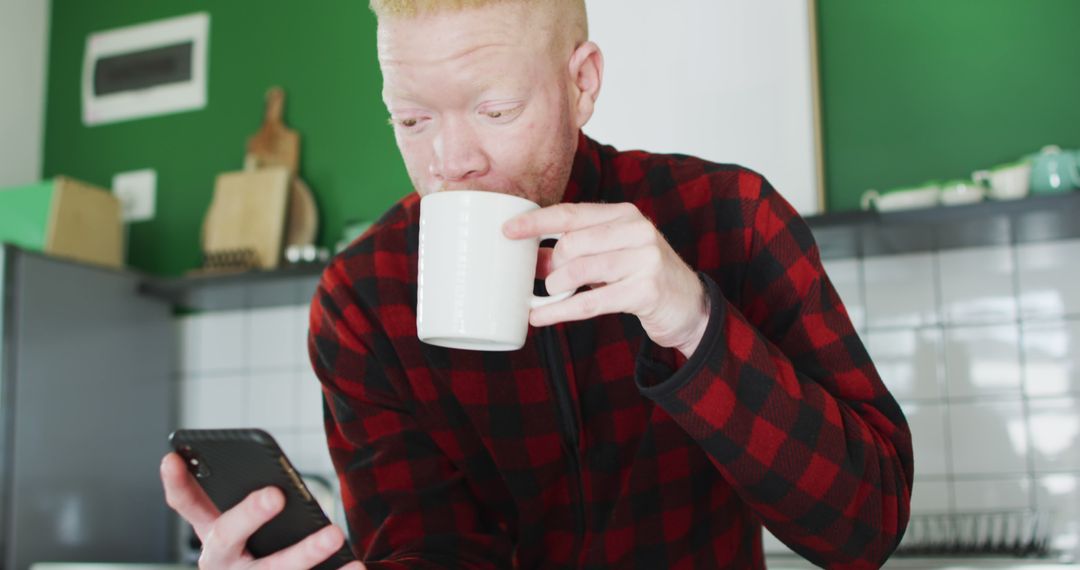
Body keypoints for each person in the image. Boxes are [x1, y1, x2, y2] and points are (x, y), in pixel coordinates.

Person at [161, 0, 914, 568]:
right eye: (412, 120)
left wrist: (694, 323)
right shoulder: (364, 299)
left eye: (495, 110)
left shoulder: (729, 216)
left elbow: (867, 526)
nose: (451, 163)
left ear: (582, 84)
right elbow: (430, 548)